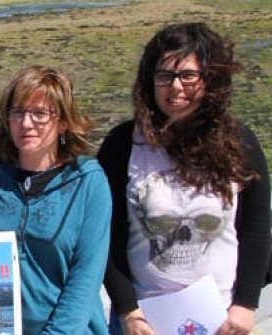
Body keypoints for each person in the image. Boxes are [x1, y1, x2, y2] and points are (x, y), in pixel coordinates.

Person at [100, 23, 271, 335]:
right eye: (164, 76)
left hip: (221, 318)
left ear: (210, 78)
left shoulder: (239, 142)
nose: (176, 87)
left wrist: (246, 304)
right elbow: (105, 236)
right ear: (149, 81)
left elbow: (256, 230)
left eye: (188, 75)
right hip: (142, 320)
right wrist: (128, 310)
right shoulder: (121, 144)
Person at [0, 65, 111, 334]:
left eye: (39, 113)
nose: (25, 123)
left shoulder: (88, 181)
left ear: (63, 123)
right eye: (18, 112)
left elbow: (86, 277)